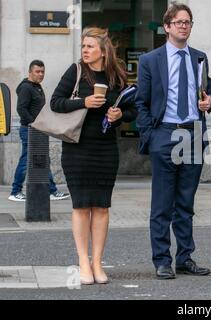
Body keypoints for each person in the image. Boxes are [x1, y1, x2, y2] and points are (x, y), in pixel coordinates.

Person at [135, 2, 211, 280]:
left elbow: (208, 92)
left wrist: (210, 101)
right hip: (166, 133)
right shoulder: (150, 60)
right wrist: (151, 136)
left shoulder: (200, 58)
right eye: (179, 22)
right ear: (167, 27)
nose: (184, 26)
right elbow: (141, 102)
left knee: (185, 202)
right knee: (162, 203)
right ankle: (161, 260)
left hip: (192, 132)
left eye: (188, 22)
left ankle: (185, 258)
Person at [50, 27, 137, 285]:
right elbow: (55, 102)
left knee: (101, 206)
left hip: (105, 148)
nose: (85, 51)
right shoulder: (75, 71)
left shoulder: (116, 75)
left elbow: (133, 109)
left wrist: (120, 115)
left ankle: (97, 262)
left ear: (102, 50)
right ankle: (82, 262)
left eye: (89, 46)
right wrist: (83, 103)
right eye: (83, 47)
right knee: (80, 205)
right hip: (77, 147)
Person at [8, 60, 70, 202]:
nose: (41, 74)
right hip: (30, 130)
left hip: (38, 130)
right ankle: (15, 191)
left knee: (43, 159)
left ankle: (51, 191)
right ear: (30, 72)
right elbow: (21, 109)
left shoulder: (37, 87)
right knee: (26, 160)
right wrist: (33, 124)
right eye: (37, 71)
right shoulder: (26, 88)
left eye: (42, 71)